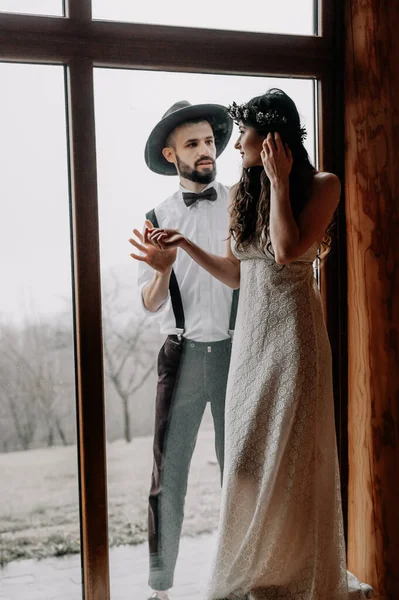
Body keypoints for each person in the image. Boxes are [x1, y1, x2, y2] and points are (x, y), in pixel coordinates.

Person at [145, 89, 375, 599]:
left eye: (242, 133)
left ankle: (299, 573)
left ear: (269, 137)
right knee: (248, 458)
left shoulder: (323, 185)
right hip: (248, 340)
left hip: (294, 337)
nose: (235, 146)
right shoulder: (242, 193)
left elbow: (289, 250)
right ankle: (258, 568)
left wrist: (276, 181)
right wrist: (184, 244)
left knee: (294, 453)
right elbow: (235, 274)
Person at [129, 100, 238, 600]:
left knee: (239, 472)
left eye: (209, 142)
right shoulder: (157, 217)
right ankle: (161, 587)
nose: (206, 151)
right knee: (167, 476)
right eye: (192, 144)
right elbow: (151, 304)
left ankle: (237, 577)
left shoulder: (240, 199)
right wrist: (162, 268)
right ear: (172, 155)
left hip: (239, 354)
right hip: (181, 356)